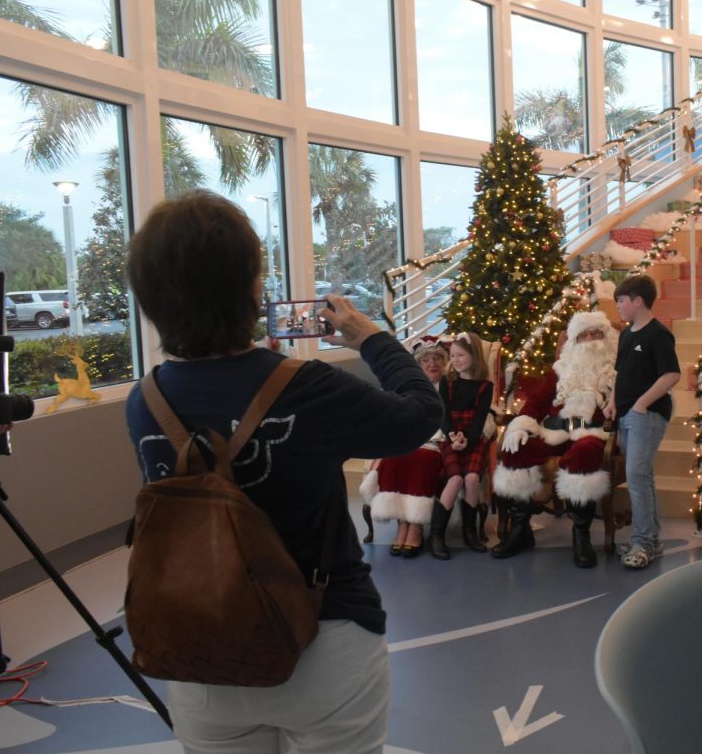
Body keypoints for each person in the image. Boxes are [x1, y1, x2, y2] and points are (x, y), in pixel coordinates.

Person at [125, 190, 443, 754]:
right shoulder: (306, 386)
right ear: (252, 288)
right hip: (324, 640)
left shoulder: (145, 399)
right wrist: (371, 336)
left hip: (200, 648)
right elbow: (420, 413)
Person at [494, 311, 618, 568]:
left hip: (593, 433)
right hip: (555, 431)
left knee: (582, 452)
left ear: (607, 337)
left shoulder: (616, 370)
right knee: (516, 449)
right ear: (573, 341)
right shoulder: (560, 369)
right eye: (584, 334)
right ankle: (521, 529)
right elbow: (537, 402)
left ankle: (580, 533)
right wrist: (520, 425)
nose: (591, 339)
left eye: (597, 333)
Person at [604, 274, 681, 570]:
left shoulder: (657, 334)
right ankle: (650, 539)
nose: (619, 307)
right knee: (641, 477)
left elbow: (671, 375)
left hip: (645, 416)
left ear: (638, 300)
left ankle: (644, 543)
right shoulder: (626, 334)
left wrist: (640, 404)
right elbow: (619, 374)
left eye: (621, 301)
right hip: (625, 414)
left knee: (636, 476)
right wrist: (613, 402)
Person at [358, 336, 449, 557]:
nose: (432, 364)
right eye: (426, 360)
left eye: (437, 358)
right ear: (418, 364)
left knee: (422, 460)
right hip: (411, 438)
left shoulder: (451, 387)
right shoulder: (410, 387)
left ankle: (415, 525)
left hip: (437, 442)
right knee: (394, 458)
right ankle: (402, 524)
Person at [429, 332, 493, 560]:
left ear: (474, 357)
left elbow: (479, 418)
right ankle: (436, 535)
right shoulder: (448, 381)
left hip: (473, 438)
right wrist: (453, 436)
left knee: (472, 478)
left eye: (460, 355)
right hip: (450, 436)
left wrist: (468, 440)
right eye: (452, 356)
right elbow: (443, 412)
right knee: (455, 479)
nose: (455, 360)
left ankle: (470, 531)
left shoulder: (486, 386)